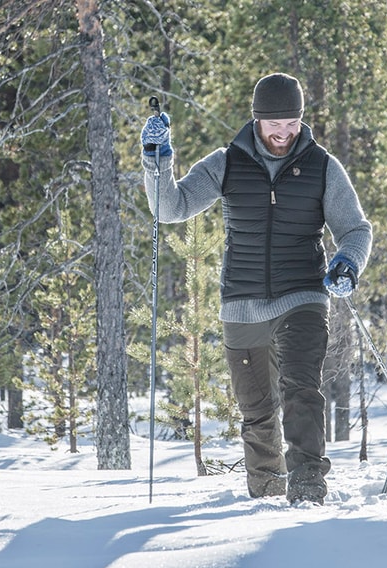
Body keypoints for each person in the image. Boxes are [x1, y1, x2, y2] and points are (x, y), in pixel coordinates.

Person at [140, 72, 373, 504]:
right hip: (241, 303)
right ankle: (266, 494)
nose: (284, 133)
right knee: (257, 411)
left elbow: (356, 230)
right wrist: (157, 160)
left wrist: (346, 262)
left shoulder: (322, 166)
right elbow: (170, 208)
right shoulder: (226, 161)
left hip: (303, 294)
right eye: (274, 125)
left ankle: (307, 487)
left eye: (292, 124)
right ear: (257, 120)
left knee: (302, 390)